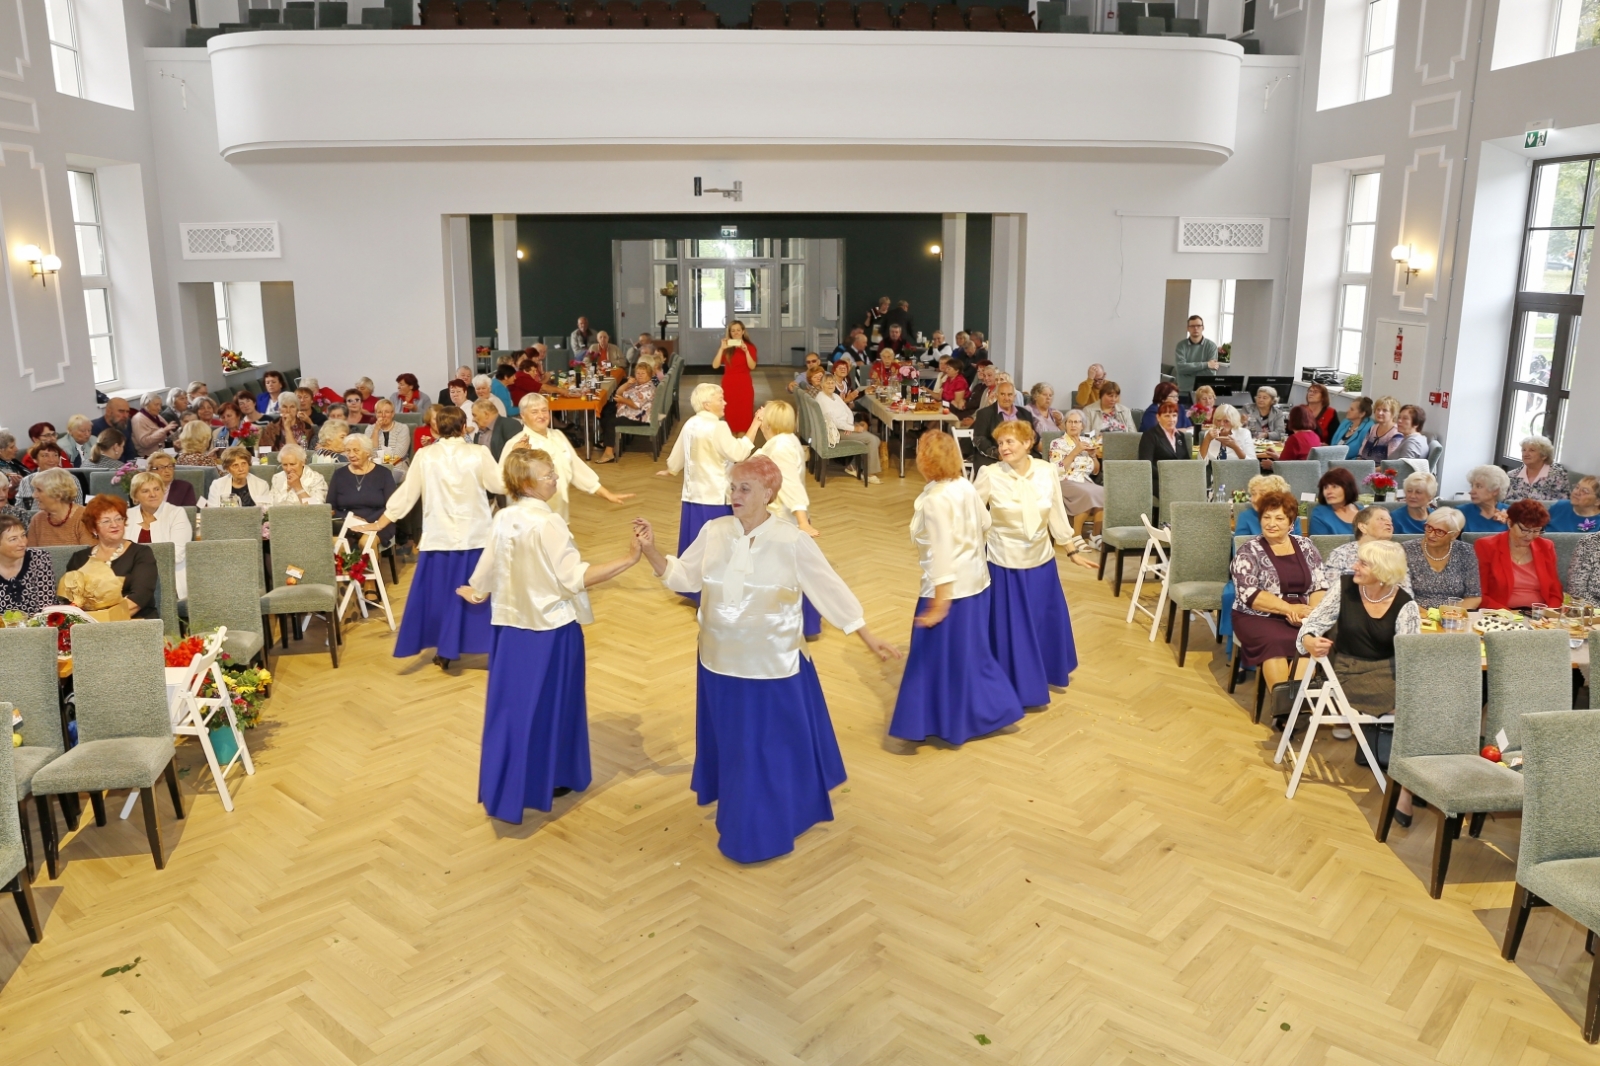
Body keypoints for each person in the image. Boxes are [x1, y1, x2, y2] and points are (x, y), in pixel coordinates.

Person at [635, 456, 897, 862]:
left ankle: (764, 823)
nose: (733, 495)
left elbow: (830, 589)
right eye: (733, 487)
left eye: (744, 489)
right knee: (738, 749)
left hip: (772, 665)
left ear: (769, 495)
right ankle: (741, 808)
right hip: (719, 663)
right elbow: (683, 578)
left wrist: (866, 634)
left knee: (768, 750)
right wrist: (652, 551)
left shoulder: (791, 539)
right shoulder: (714, 530)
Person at [457, 448, 642, 823]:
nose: (556, 479)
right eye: (548, 475)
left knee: (513, 710)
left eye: (554, 473)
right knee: (555, 705)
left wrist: (476, 591)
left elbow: (487, 569)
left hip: (510, 631)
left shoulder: (504, 517)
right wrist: (629, 559)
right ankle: (555, 775)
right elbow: (576, 577)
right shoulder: (550, 523)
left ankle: (511, 784)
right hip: (552, 630)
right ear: (526, 483)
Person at [890, 431, 1026, 745]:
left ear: (925, 461)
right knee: (969, 656)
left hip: (946, 591)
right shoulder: (964, 486)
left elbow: (939, 552)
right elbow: (985, 524)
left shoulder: (934, 501)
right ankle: (983, 712)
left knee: (930, 660)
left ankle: (934, 721)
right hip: (977, 585)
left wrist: (940, 603)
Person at [355, 406, 505, 669]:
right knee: (481, 594)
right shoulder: (478, 453)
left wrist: (380, 522)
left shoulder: (425, 456)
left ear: (436, 428)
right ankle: (491, 647)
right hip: (476, 537)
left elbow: (407, 495)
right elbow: (498, 485)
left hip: (439, 538)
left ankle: (445, 648)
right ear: (462, 427)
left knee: (442, 597)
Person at [974, 420, 1089, 709]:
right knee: (1012, 627)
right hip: (1003, 562)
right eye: (1000, 443)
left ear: (1028, 443)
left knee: (1039, 622)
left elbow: (1056, 512)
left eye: (1010, 442)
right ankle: (1014, 683)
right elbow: (971, 514)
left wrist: (1070, 548)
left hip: (1040, 562)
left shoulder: (1046, 471)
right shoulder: (989, 474)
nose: (1004, 448)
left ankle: (1044, 672)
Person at [1296, 539, 1420, 798]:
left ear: (1383, 572)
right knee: (1417, 709)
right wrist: (1309, 641)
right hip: (1349, 670)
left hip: (1390, 671)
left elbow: (1411, 659)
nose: (1354, 567)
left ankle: (1410, 779)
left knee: (1425, 699)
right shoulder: (1344, 589)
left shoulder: (1405, 604)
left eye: (1363, 563)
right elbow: (1311, 626)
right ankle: (1408, 786)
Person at [660, 384, 760, 600]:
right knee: (716, 549)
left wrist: (670, 469)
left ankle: (692, 590)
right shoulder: (719, 427)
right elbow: (738, 453)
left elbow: (678, 456)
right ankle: (713, 595)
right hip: (716, 498)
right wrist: (756, 424)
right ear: (707, 404)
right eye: (720, 399)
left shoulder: (690, 423)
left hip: (692, 496)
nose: (724, 402)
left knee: (694, 546)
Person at [1230, 490, 1330, 692]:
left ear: (1291, 523)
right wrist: (1289, 610)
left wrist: (1310, 614)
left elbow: (1319, 585)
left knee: (1308, 639)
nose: (1271, 523)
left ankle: (1296, 706)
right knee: (1274, 642)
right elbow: (1250, 594)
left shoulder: (1306, 546)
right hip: (1256, 615)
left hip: (1303, 612)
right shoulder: (1249, 551)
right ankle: (1283, 711)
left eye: (1279, 518)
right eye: (1266, 517)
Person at [500, 394, 634, 521]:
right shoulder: (515, 445)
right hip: (530, 518)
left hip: (560, 512)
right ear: (523, 416)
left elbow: (577, 468)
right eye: (534, 412)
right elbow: (503, 483)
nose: (541, 415)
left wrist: (607, 494)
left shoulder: (557, 435)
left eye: (544, 410)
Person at [63, 494, 158, 619]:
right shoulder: (78, 559)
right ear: (93, 528)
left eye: (118, 519)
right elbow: (70, 600)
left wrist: (101, 620)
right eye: (106, 521)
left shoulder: (141, 553)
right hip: (89, 626)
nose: (114, 525)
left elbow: (139, 598)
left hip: (134, 622)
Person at [1475, 499, 1561, 611]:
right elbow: (1479, 593)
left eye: (1536, 531)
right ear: (1510, 523)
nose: (1530, 537)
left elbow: (1555, 592)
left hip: (1539, 616)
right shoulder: (1486, 546)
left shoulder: (1546, 546)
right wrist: (1510, 615)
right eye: (1525, 530)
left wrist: (1549, 613)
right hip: (1500, 614)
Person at [809, 366, 884, 483]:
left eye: (832, 383)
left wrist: (849, 425)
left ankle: (852, 465)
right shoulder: (822, 399)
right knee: (873, 439)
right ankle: (869, 474)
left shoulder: (835, 396)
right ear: (822, 385)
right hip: (834, 432)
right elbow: (833, 421)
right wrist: (852, 428)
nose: (830, 385)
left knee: (873, 438)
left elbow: (848, 411)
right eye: (827, 383)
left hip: (843, 428)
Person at [127, 471, 192, 599]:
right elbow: (118, 552)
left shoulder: (177, 513)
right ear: (135, 496)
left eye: (157, 489)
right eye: (145, 491)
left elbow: (176, 554)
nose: (153, 494)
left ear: (163, 491)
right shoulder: (126, 516)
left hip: (167, 578)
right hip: (131, 579)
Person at [1403, 507, 1482, 610]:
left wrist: (1447, 615)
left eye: (1439, 532)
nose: (1431, 535)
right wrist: (1427, 616)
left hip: (1454, 616)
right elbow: (1400, 595)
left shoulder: (1466, 552)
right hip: (1415, 614)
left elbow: (1474, 596)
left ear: (1454, 534)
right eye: (1429, 528)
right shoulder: (1406, 550)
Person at [329, 434, 397, 545]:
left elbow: (392, 506)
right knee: (338, 543)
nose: (351, 455)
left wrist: (367, 523)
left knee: (366, 543)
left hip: (379, 522)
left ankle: (373, 563)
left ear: (367, 452)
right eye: (348, 451)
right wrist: (349, 519)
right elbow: (331, 507)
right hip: (347, 524)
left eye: (356, 450)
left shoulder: (383, 474)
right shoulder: (339, 475)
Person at [1322, 507, 1408, 590]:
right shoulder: (1340, 555)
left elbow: (1406, 591)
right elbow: (1332, 591)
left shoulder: (1397, 554)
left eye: (1390, 520)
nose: (1389, 523)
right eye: (1381, 519)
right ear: (1363, 527)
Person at [1049, 409, 1105, 539]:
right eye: (1070, 422)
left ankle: (1095, 536)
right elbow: (1056, 469)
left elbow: (1095, 471)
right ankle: (1076, 535)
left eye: (1077, 422)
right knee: (1087, 494)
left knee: (1103, 492)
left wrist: (1093, 456)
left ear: (1082, 425)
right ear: (1065, 424)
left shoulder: (1088, 442)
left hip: (1083, 480)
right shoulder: (1057, 443)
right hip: (1064, 480)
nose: (1073, 425)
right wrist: (1075, 451)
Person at [594, 362, 658, 466]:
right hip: (629, 410)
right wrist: (628, 383)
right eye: (638, 373)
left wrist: (623, 401)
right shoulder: (637, 383)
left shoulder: (648, 388)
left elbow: (636, 405)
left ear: (649, 375)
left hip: (639, 417)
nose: (640, 375)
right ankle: (608, 440)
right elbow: (618, 392)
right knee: (604, 410)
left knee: (611, 422)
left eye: (643, 373)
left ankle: (609, 453)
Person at [971, 379, 1032, 469]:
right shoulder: (985, 413)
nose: (1006, 398)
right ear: (997, 395)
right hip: (996, 456)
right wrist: (998, 453)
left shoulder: (1025, 413)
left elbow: (1032, 436)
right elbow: (979, 438)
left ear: (1014, 396)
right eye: (1002, 394)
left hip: (1021, 455)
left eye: (1010, 395)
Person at [0, 514, 55, 614]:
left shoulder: (39, 558)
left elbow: (46, 606)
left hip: (38, 625)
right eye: (13, 539)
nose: (23, 543)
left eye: (23, 535)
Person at [711, 319, 758, 434]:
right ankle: (731, 446)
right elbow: (715, 365)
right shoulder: (727, 348)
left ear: (743, 331)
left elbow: (752, 366)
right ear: (730, 333)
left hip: (744, 385)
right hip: (729, 385)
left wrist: (746, 351)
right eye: (733, 331)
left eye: (738, 330)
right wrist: (721, 349)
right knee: (730, 416)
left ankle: (742, 446)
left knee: (744, 416)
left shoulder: (750, 347)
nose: (736, 333)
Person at [25, 470, 92, 547]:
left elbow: (91, 556)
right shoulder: (37, 520)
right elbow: (31, 555)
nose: (34, 495)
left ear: (58, 494)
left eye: (39, 490)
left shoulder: (85, 518)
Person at [1505, 435, 1570, 503]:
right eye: (1524, 450)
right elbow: (1503, 501)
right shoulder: (1511, 476)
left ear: (1544, 456)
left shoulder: (1558, 476)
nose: (1525, 454)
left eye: (1532, 450)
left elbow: (1564, 505)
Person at [15, 443, 78, 511]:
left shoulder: (71, 479)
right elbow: (19, 509)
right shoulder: (26, 481)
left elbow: (78, 507)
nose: (51, 460)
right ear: (35, 459)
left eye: (55, 455)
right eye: (45, 456)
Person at [205, 446, 271, 509]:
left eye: (244, 464)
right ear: (227, 469)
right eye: (235, 465)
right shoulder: (217, 485)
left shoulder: (261, 485)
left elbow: (265, 511)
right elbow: (212, 511)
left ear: (249, 464)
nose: (241, 469)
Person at [1138, 400, 1187, 478]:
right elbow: (1145, 465)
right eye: (1167, 416)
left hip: (1180, 480)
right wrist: (1167, 475)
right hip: (1159, 480)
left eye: (1174, 415)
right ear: (1158, 417)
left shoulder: (1180, 436)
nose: (1171, 419)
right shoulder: (1150, 435)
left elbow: (1186, 461)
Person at [1172, 315, 1220, 393]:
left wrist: (1188, 372)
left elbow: (1211, 372)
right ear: (1188, 328)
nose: (1195, 328)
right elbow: (1180, 368)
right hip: (1184, 391)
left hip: (1204, 393)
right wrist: (1206, 365)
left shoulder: (1211, 346)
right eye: (1192, 326)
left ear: (1203, 327)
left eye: (1198, 325)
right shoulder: (1181, 346)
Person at [366, 399, 412, 478]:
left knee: (385, 478)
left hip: (398, 467)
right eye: (379, 412)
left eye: (387, 412)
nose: (383, 415)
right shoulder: (370, 429)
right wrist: (376, 430)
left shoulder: (402, 428)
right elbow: (370, 452)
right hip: (375, 468)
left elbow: (399, 454)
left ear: (393, 413)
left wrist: (380, 461)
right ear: (375, 414)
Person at [1461, 464, 1511, 532]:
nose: (1471, 491)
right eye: (1472, 486)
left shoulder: (1512, 512)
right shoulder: (1461, 512)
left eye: (1479, 486)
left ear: (1495, 491)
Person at [1310, 467, 1360, 534]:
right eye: (1325, 487)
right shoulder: (1320, 514)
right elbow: (1320, 543)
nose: (1328, 492)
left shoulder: (1365, 513)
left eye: (1335, 487)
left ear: (1348, 488)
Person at [128, 393, 176, 457]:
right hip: (150, 456)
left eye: (160, 405)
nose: (159, 408)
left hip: (164, 451)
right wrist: (164, 430)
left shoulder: (157, 416)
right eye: (156, 405)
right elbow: (144, 443)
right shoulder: (138, 419)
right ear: (146, 405)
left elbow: (169, 434)